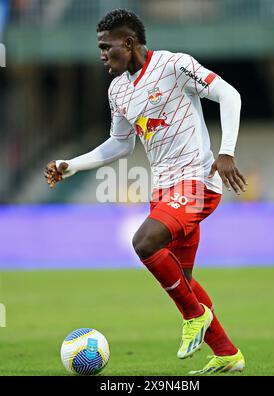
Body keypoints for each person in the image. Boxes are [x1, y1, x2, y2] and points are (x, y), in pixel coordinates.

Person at [44, 9, 247, 375]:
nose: (102, 54)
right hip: (164, 190)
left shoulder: (174, 65)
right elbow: (118, 145)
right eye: (100, 48)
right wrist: (71, 164)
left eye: (107, 47)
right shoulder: (118, 89)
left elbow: (229, 95)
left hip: (198, 182)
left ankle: (193, 316)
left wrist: (227, 150)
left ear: (129, 42)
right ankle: (227, 354)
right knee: (182, 281)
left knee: (144, 242)